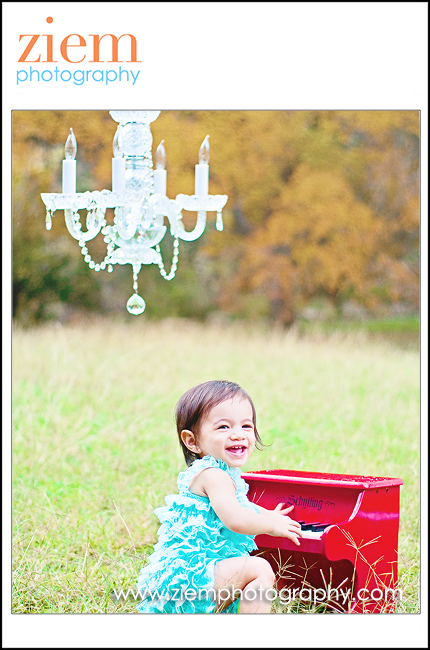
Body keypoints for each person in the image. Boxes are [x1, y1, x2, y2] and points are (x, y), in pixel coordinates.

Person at [137, 380, 302, 613]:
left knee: (252, 570)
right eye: (223, 427)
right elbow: (236, 519)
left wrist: (268, 514)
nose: (238, 435)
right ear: (192, 441)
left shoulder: (221, 474)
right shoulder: (214, 476)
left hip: (192, 579)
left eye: (246, 426)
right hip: (190, 580)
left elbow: (242, 507)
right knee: (259, 569)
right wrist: (272, 524)